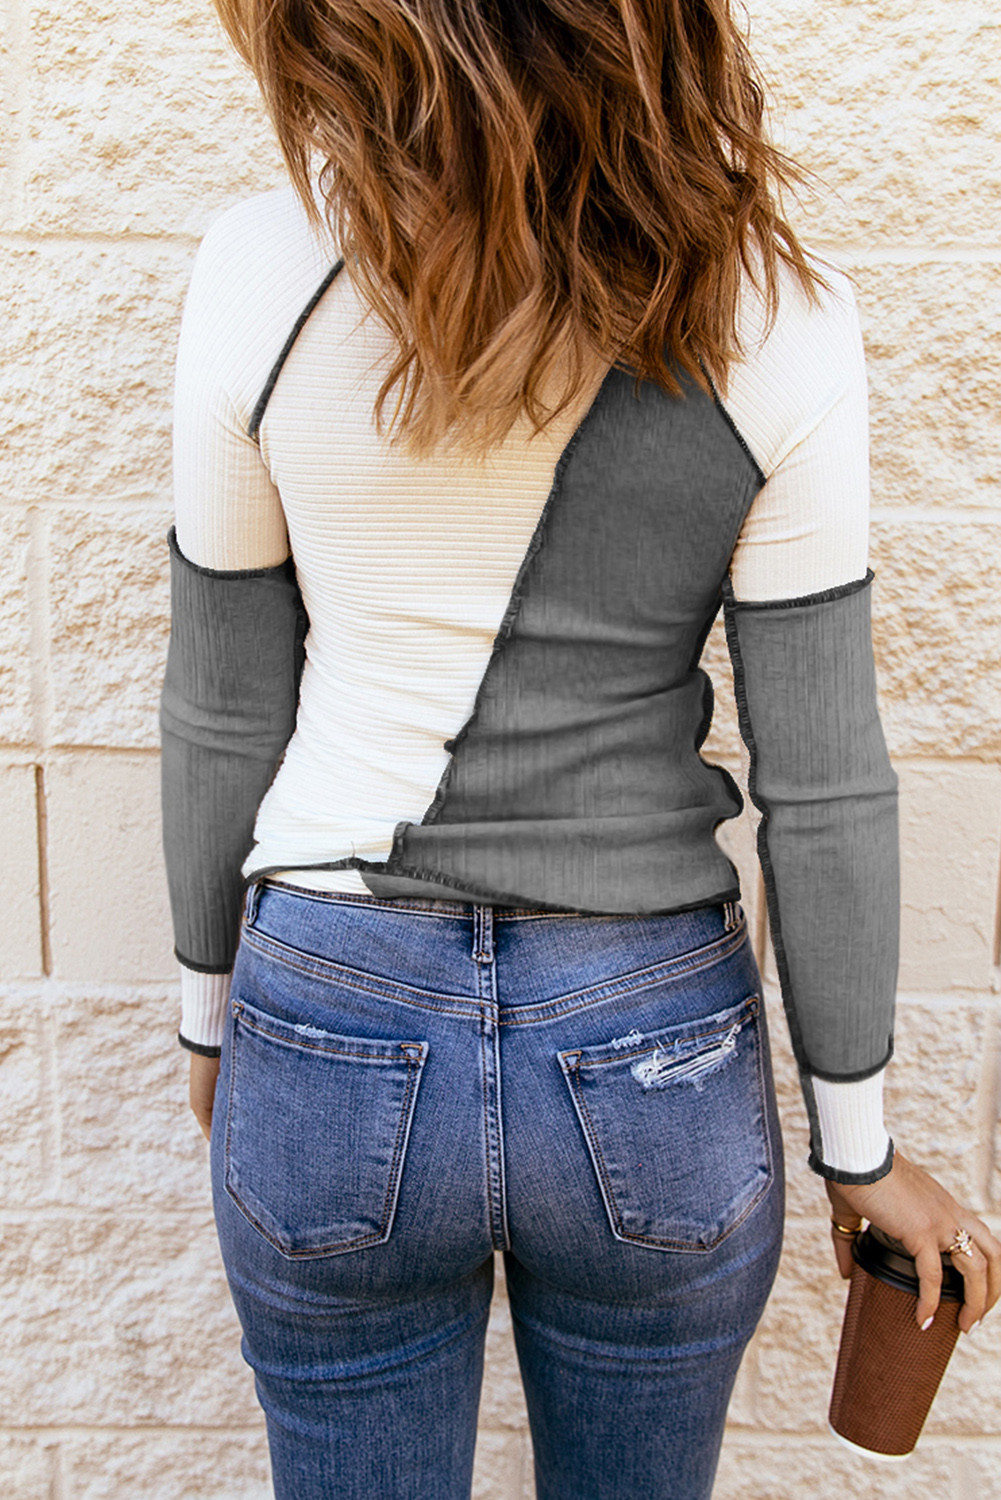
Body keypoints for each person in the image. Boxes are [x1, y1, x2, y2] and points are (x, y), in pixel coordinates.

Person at [159, 2, 1000, 1495]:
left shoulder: (259, 264)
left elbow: (223, 703)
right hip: (646, 1037)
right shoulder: (778, 311)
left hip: (331, 1004)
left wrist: (213, 1019)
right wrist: (858, 1148)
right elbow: (823, 779)